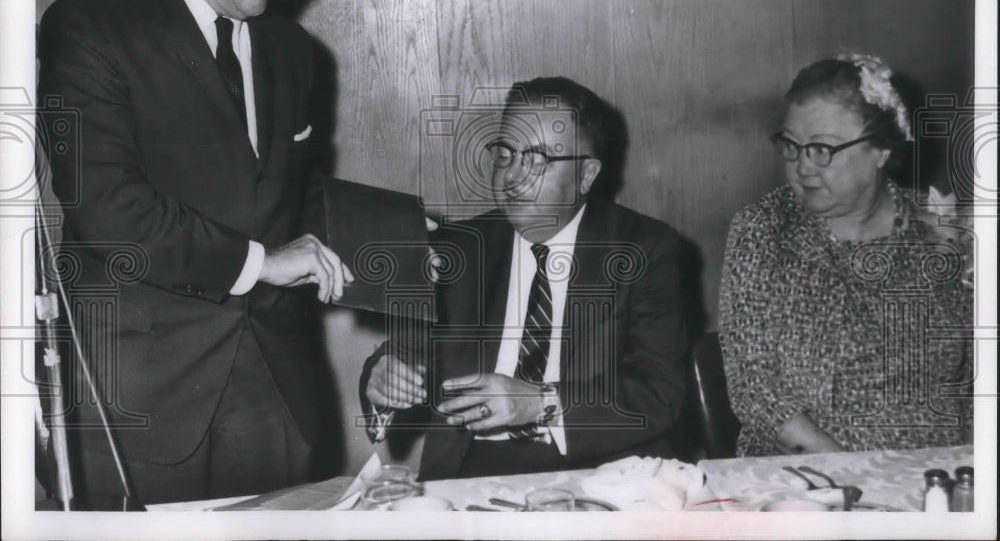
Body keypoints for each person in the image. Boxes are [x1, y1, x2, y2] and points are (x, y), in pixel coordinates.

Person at [37, 0, 354, 504]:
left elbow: (299, 197)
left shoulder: (295, 51)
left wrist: (401, 246)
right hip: (144, 398)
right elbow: (108, 208)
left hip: (274, 387)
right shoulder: (90, 28)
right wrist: (256, 263)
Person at [360, 77, 687, 480]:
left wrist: (539, 402)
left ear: (586, 175)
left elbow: (660, 391)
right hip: (473, 468)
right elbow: (406, 353)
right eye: (505, 154)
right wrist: (384, 380)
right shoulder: (459, 249)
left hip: (603, 467)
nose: (513, 176)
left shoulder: (644, 248)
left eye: (537, 159)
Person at [718, 54, 973, 456]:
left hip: (937, 474)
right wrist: (852, 475)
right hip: (809, 480)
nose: (803, 166)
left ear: (881, 151)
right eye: (791, 145)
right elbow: (755, 389)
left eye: (822, 148)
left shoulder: (943, 228)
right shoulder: (764, 229)